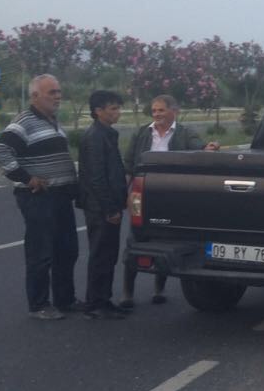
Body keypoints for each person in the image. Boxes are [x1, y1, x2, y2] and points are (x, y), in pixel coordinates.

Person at [0, 74, 82, 320]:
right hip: (39, 198)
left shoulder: (52, 121)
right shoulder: (25, 122)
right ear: (35, 96)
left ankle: (65, 299)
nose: (58, 96)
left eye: (59, 91)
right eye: (52, 92)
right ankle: (39, 304)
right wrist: (27, 178)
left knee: (67, 250)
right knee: (41, 252)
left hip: (60, 197)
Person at [122, 94, 218, 306]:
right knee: (135, 240)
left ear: (174, 111)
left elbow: (199, 149)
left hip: (172, 195)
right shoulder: (141, 133)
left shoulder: (185, 133)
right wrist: (125, 194)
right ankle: (127, 294)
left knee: (165, 239)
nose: (156, 114)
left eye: (161, 110)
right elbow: (129, 165)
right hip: (144, 194)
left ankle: (159, 289)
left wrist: (208, 149)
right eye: (154, 110)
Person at [77, 90, 129, 320]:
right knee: (100, 254)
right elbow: (96, 177)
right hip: (100, 208)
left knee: (109, 255)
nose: (118, 112)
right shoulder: (95, 137)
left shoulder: (107, 134)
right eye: (113, 108)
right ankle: (95, 303)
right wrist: (110, 208)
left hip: (109, 205)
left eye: (118, 108)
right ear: (98, 111)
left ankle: (103, 299)